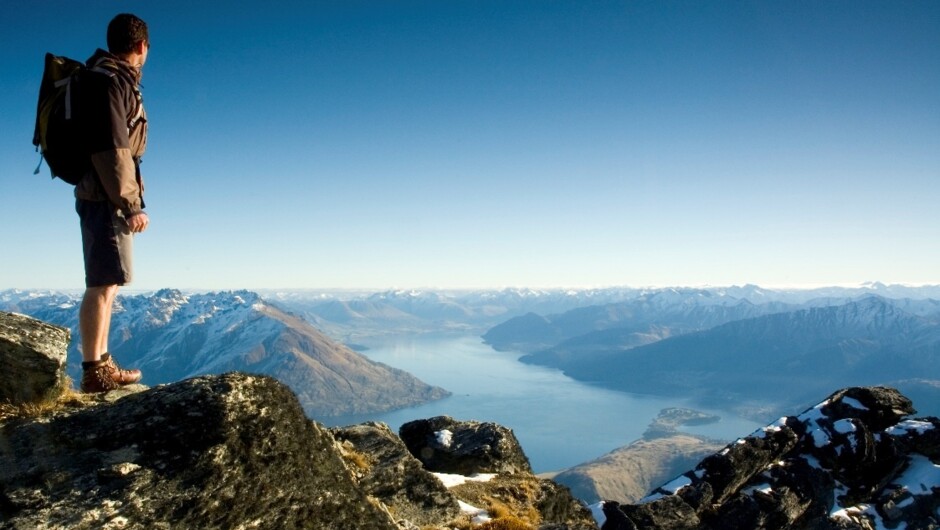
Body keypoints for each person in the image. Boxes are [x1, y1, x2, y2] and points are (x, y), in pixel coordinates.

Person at [75, 13, 150, 393]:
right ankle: (94, 370)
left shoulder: (102, 78)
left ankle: (101, 362)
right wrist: (131, 204)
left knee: (108, 281)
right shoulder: (109, 82)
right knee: (103, 282)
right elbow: (114, 151)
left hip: (101, 194)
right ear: (141, 47)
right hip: (106, 197)